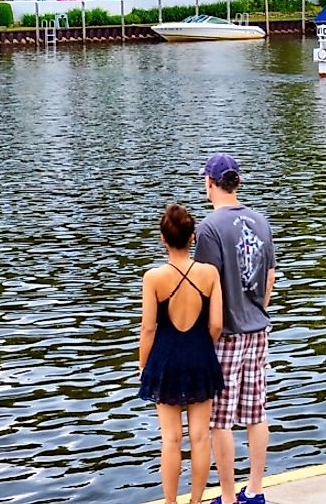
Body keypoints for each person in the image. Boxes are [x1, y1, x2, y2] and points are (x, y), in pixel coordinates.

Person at [194, 154, 276, 504]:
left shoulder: (209, 228)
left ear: (210, 184)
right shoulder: (261, 221)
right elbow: (270, 275)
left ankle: (228, 498)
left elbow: (205, 284)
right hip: (258, 328)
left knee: (220, 419)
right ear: (237, 182)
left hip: (225, 333)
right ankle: (255, 491)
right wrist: (257, 309)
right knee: (256, 413)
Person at [140, 204, 226, 504]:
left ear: (163, 239)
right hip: (200, 357)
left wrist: (144, 367)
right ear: (193, 238)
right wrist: (203, 346)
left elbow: (149, 329)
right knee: (201, 437)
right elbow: (216, 323)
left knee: (171, 439)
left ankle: (171, 502)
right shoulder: (209, 274)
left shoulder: (153, 278)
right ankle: (196, 500)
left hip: (165, 360)